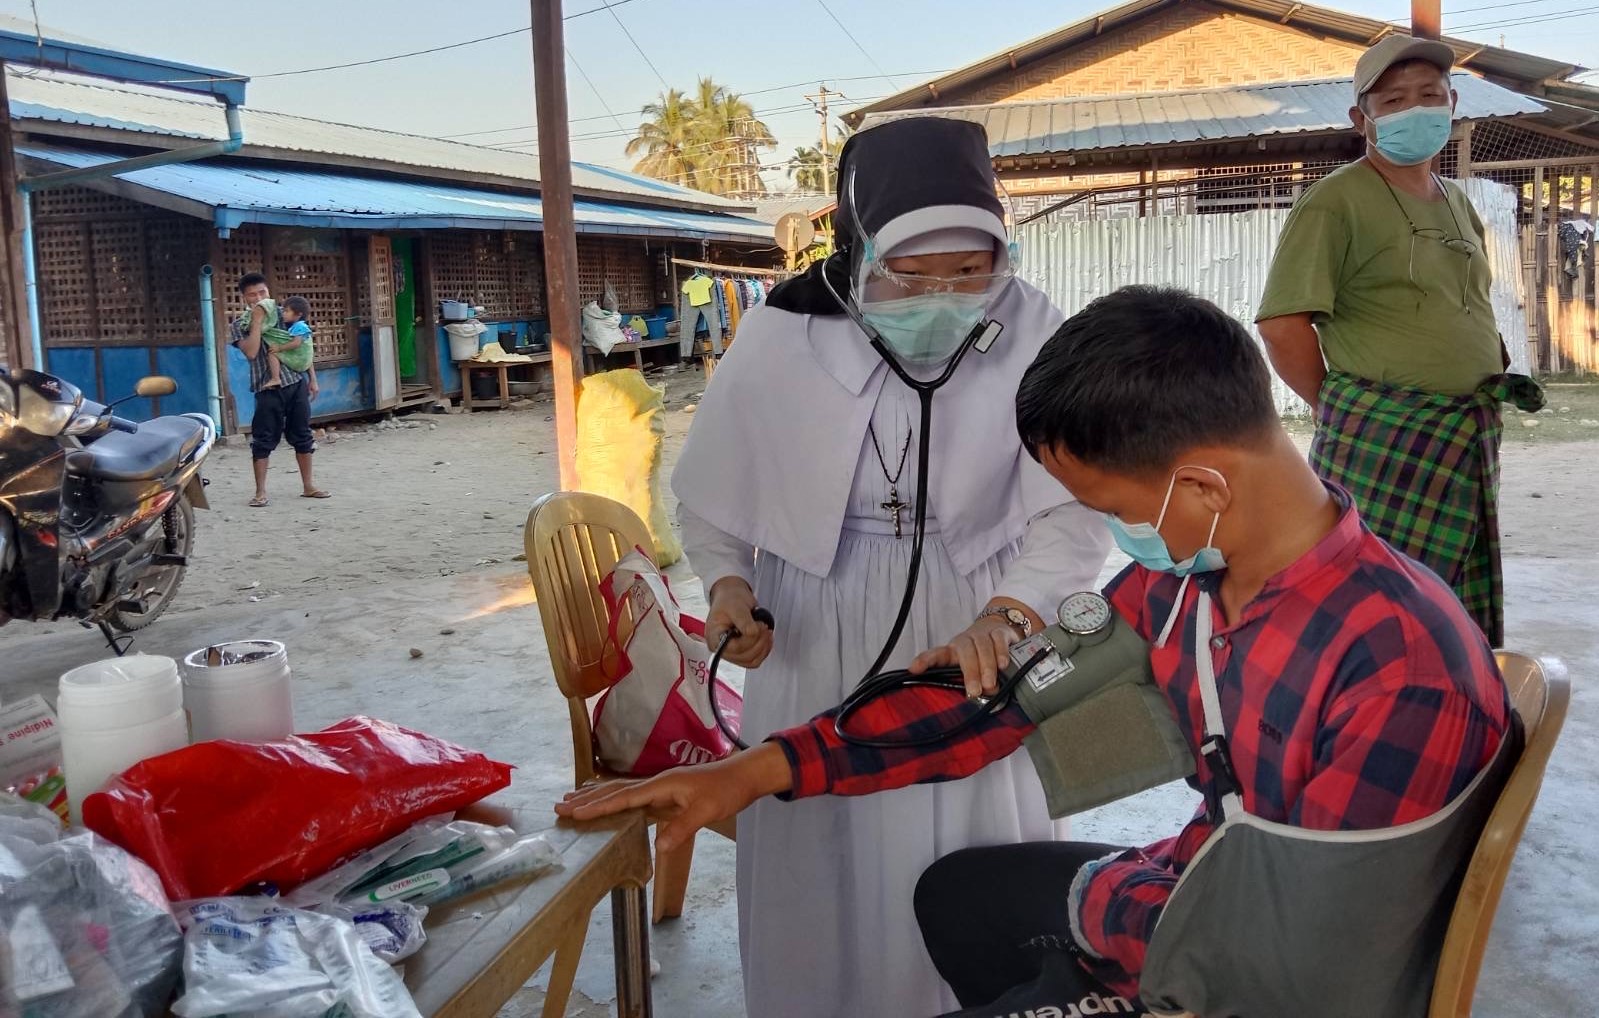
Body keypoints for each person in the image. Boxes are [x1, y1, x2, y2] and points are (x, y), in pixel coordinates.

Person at [560, 286, 1514, 1017]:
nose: (1110, 537)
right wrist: (756, 771)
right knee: (962, 895)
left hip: (1266, 976)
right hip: (1214, 887)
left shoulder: (1396, 668)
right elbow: (1004, 704)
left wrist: (1102, 901)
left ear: (1201, 484)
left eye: (1108, 511)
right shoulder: (1184, 581)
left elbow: (1296, 958)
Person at [665, 117, 1112, 1016]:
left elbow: (1073, 505)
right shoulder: (782, 332)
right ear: (857, 244)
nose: (946, 294)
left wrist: (1013, 613)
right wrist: (728, 585)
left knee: (965, 836)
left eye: (969, 270)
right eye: (911, 273)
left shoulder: (1035, 330)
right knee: (817, 841)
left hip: (980, 615)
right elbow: (713, 493)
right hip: (812, 616)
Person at [1255, 34, 1544, 648]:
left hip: (1464, 433)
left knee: (1447, 601)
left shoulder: (1459, 202)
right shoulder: (1334, 202)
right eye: (1394, 100)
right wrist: (1340, 408)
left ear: (1453, 103)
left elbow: (1465, 298)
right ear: (1362, 119)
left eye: (1430, 96)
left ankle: (1453, 699)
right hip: (1384, 437)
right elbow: (1283, 326)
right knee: (1374, 603)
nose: (1416, 109)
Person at [232, 273, 330, 507]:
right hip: (267, 387)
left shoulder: (286, 313)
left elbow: (304, 347)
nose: (258, 298)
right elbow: (252, 352)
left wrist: (313, 379)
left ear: (269, 292)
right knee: (263, 438)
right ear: (244, 298)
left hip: (295, 383)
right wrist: (257, 321)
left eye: (262, 293)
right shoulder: (240, 325)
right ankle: (260, 492)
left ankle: (308, 486)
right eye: (252, 295)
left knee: (303, 435)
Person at [248, 293, 315, 389]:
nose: (283, 314)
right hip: (300, 366)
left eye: (287, 311)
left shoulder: (300, 326)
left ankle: (276, 378)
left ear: (299, 314)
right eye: (283, 311)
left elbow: (297, 343)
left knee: (272, 352)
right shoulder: (294, 325)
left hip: (301, 360)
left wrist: (279, 348)